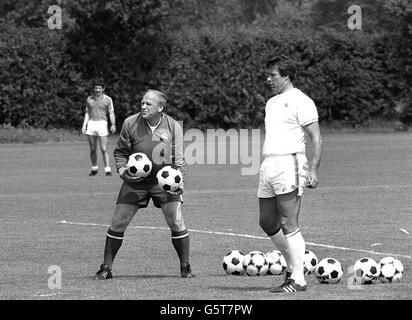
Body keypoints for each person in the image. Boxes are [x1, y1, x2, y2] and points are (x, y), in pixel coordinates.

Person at [94, 89, 195, 279]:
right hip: (135, 181)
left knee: (176, 220)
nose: (143, 106)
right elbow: (121, 153)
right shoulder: (130, 123)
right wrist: (124, 172)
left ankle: (186, 267)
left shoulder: (173, 126)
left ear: (160, 107)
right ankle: (106, 267)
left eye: (148, 104)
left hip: (164, 181)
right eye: (142, 102)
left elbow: (179, 158)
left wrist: (179, 180)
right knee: (118, 221)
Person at [258, 56, 323, 293]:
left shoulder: (301, 101)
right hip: (268, 165)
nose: (268, 79)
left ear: (286, 76)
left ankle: (298, 279)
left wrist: (313, 169)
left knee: (288, 222)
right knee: (266, 221)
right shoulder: (271, 102)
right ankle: (292, 266)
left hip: (290, 164)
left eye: (272, 75)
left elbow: (316, 137)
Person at [81, 81, 116, 176]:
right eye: (96, 88)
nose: (97, 90)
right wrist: (84, 125)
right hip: (91, 124)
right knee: (92, 149)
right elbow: (87, 113)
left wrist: (113, 124)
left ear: (103, 89)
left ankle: (107, 169)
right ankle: (94, 168)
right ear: (94, 89)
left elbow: (111, 112)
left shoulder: (108, 99)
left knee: (104, 148)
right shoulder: (89, 99)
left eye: (99, 88)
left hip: (102, 124)